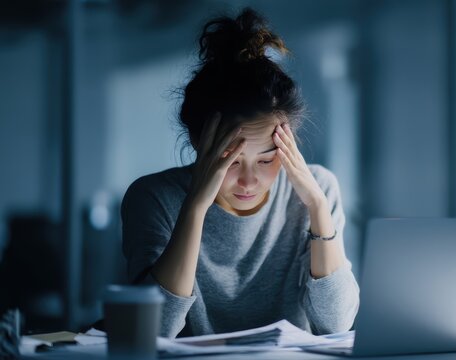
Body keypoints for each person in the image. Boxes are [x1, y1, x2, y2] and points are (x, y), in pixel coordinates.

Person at [120, 8, 360, 338]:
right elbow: (152, 330)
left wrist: (318, 208)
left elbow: (336, 324)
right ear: (197, 142)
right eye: (231, 161)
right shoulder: (154, 198)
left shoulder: (318, 188)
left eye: (266, 160)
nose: (249, 181)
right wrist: (195, 208)